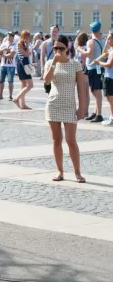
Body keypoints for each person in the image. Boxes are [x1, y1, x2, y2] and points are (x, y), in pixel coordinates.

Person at [44, 35, 86, 183]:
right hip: (53, 105)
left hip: (69, 106)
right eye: (55, 48)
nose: (58, 51)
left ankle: (77, 172)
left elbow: (81, 88)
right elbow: (47, 80)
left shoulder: (75, 65)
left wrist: (82, 107)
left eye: (61, 48)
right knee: (56, 140)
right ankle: (60, 171)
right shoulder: (50, 62)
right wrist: (54, 63)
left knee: (71, 140)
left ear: (67, 48)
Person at [77, 21, 105, 123]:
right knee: (97, 90)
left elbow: (89, 54)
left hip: (93, 68)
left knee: (95, 91)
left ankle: (99, 114)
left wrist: (80, 49)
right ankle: (96, 112)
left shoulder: (91, 41)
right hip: (99, 67)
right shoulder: (102, 40)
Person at [93, 31, 113, 126]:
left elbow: (109, 64)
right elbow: (104, 52)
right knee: (110, 99)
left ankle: (112, 118)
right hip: (109, 77)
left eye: (109, 38)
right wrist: (107, 42)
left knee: (110, 99)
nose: (107, 40)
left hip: (110, 77)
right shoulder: (111, 49)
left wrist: (99, 63)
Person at [13, 30, 34, 110]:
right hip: (22, 65)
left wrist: (27, 46)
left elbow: (28, 53)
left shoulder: (24, 44)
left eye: (29, 37)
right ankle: (16, 99)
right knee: (30, 85)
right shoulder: (20, 43)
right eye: (27, 37)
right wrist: (28, 45)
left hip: (23, 64)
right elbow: (26, 54)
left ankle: (23, 104)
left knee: (24, 85)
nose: (28, 38)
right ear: (23, 36)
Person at [0, 32, 16, 101]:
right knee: (1, 81)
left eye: (10, 36)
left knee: (10, 81)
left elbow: (11, 55)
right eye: (8, 36)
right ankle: (0, 95)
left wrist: (3, 55)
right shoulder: (4, 44)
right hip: (3, 65)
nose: (8, 37)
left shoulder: (14, 45)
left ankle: (10, 96)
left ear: (13, 37)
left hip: (11, 65)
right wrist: (3, 49)